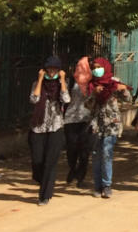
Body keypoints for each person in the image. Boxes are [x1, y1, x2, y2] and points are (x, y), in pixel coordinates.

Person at [29, 55, 69, 205]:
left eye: (54, 69)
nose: (51, 72)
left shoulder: (61, 84)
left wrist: (63, 80)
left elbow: (66, 99)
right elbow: (34, 99)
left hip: (56, 127)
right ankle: (42, 181)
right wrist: (40, 80)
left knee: (50, 162)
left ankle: (44, 195)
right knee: (37, 160)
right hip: (38, 127)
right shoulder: (37, 83)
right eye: (49, 69)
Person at [87, 57, 130, 199]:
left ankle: (107, 185)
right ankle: (97, 185)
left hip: (112, 124)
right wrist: (94, 94)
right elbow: (86, 105)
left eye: (99, 67)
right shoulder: (91, 85)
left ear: (105, 67)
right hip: (96, 124)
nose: (96, 70)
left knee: (107, 152)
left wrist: (122, 90)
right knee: (96, 154)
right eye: (94, 68)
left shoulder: (113, 81)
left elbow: (128, 99)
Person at [63, 56, 94, 188]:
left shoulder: (93, 82)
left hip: (86, 119)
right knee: (71, 148)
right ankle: (72, 169)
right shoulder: (70, 81)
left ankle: (81, 177)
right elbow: (65, 98)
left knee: (84, 150)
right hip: (70, 119)